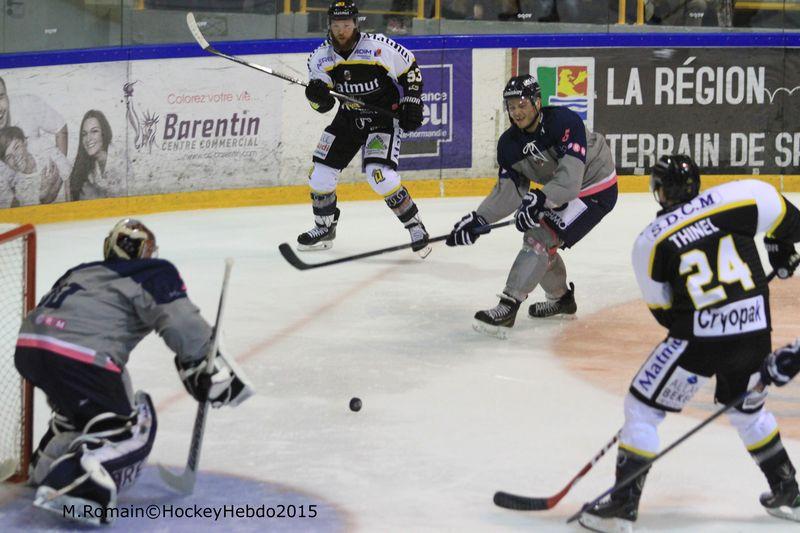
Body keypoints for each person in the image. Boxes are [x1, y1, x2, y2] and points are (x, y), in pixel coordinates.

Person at [578, 155, 800, 532]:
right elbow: (791, 220)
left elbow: (665, 311)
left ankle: (622, 507)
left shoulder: (651, 241)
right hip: (754, 331)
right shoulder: (742, 197)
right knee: (745, 408)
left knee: (642, 408)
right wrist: (780, 246)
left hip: (698, 339)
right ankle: (789, 493)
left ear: (660, 193)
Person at [14, 219, 253, 525]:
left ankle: (45, 469)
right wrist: (204, 364)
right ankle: (73, 487)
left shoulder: (82, 271)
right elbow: (180, 322)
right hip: (80, 355)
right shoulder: (151, 271)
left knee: (83, 416)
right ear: (144, 251)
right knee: (129, 429)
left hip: (30, 348)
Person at [446, 74, 617, 338]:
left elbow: (570, 183)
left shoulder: (563, 122)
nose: (516, 112)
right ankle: (562, 300)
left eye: (522, 104)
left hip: (596, 185)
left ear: (537, 101)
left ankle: (509, 304)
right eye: (511, 107)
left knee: (539, 235)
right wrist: (480, 219)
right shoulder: (509, 145)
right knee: (542, 236)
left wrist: (540, 200)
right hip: (562, 190)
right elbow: (511, 191)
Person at [301, 0, 430, 257]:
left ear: (355, 24)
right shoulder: (320, 58)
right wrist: (317, 96)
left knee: (379, 174)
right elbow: (324, 106)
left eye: (346, 25)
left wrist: (412, 100)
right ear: (329, 25)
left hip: (382, 119)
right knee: (320, 175)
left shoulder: (378, 47)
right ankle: (324, 226)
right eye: (336, 25)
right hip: (348, 118)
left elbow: (410, 68)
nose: (341, 30)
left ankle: (415, 225)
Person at [0, 125, 68, 207]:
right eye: (9, 157)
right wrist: (43, 192)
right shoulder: (19, 188)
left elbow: (67, 172)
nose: (15, 156)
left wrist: (53, 187)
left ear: (25, 142)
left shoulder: (44, 152)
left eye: (16, 147)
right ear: (6, 163)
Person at [68, 110, 125, 200]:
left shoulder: (119, 159)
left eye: (94, 131)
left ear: (104, 133)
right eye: (84, 134)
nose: (88, 139)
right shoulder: (89, 166)